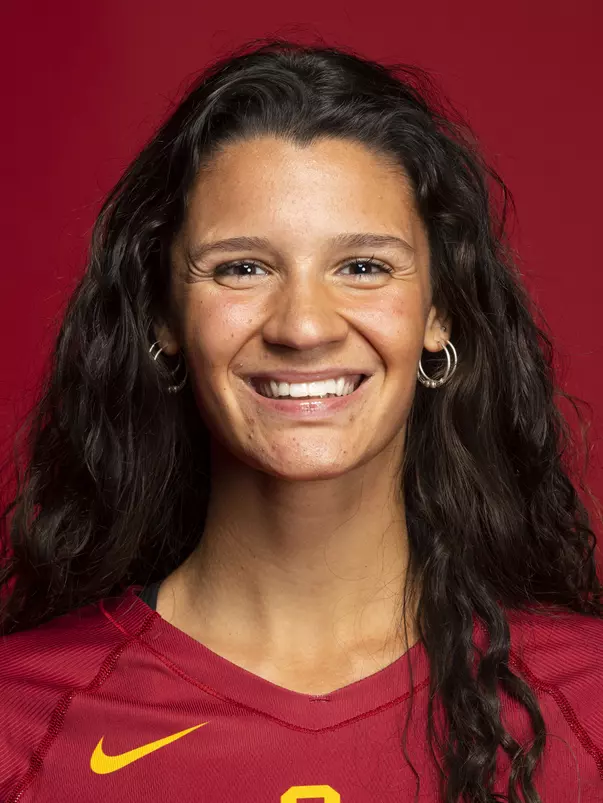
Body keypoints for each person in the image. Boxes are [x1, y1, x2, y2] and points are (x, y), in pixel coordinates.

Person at [1, 37, 602, 803]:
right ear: (164, 316)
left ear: (439, 311)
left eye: (362, 266)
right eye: (241, 267)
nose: (304, 326)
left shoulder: (587, 707)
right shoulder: (20, 723)